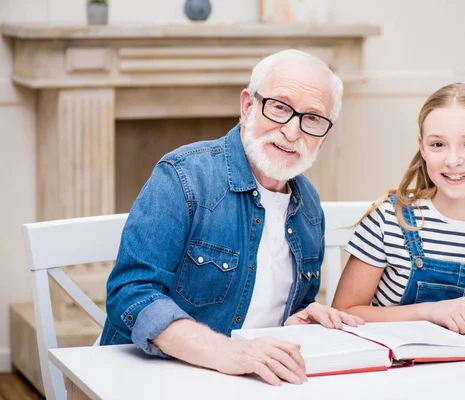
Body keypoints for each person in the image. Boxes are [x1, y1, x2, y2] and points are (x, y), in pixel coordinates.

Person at [100, 49, 363, 386]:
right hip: (151, 380)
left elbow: (275, 305)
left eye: (312, 119)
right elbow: (131, 294)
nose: (292, 132)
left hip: (249, 383)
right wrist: (226, 352)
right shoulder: (183, 177)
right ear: (247, 106)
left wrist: (297, 319)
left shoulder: (308, 204)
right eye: (280, 107)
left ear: (324, 136)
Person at [332, 82, 465, 335]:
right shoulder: (389, 220)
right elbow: (345, 311)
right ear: (422, 147)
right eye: (438, 145)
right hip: (397, 370)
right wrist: (429, 313)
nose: (453, 160)